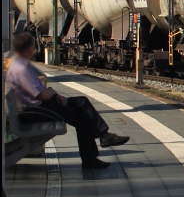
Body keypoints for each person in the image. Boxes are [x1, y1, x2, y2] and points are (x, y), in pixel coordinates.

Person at [6, 32, 130, 169]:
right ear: (28, 49)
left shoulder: (19, 65)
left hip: (38, 107)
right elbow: (40, 95)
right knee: (82, 116)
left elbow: (39, 93)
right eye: (34, 47)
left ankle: (103, 138)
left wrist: (55, 94)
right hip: (35, 111)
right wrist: (53, 93)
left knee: (82, 102)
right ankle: (99, 143)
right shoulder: (21, 69)